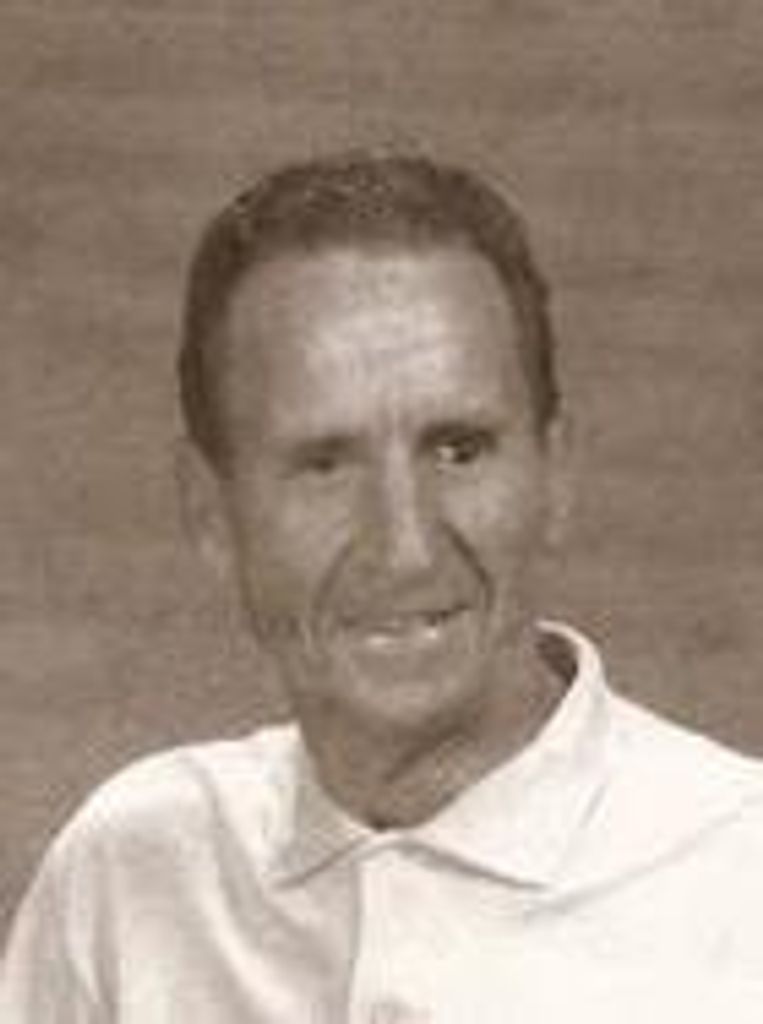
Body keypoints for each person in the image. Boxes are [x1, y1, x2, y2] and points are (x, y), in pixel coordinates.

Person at [2, 151, 763, 1023]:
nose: (403, 548)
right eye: (323, 464)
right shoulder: (131, 879)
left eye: (459, 450)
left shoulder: (740, 880)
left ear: (554, 474)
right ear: (212, 513)